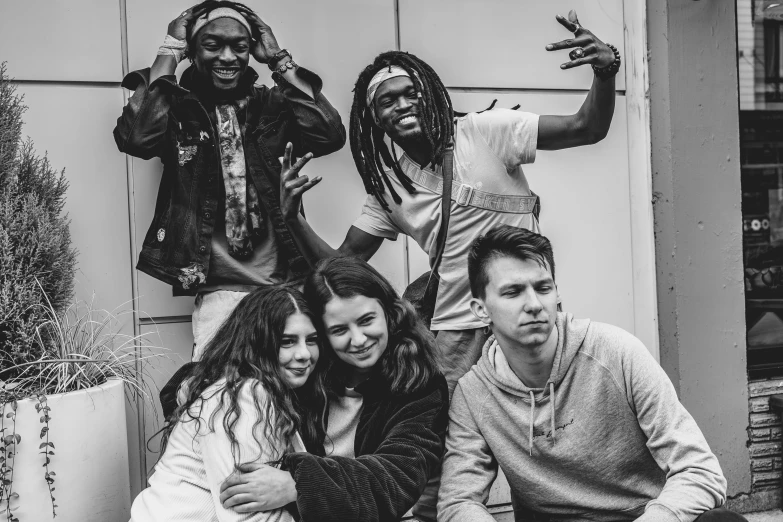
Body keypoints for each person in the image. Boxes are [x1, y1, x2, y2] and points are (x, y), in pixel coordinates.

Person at [280, 9, 618, 398]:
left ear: (433, 94)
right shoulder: (389, 187)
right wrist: (293, 218)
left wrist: (605, 71)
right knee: (454, 435)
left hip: (524, 312)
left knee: (544, 417)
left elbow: (586, 128)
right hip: (455, 332)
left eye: (412, 93)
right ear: (374, 118)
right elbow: (339, 266)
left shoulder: (486, 132)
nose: (403, 104)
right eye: (388, 101)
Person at [437, 225, 747, 522]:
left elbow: (701, 471)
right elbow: (458, 501)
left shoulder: (617, 353)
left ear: (556, 293)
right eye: (513, 292)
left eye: (543, 288)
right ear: (480, 309)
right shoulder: (473, 395)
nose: (533, 304)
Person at [113, 1, 345, 360]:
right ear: (192, 50)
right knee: (218, 403)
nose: (228, 56)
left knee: (294, 403)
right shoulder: (177, 111)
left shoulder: (273, 104)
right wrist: (168, 52)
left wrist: (278, 60)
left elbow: (328, 135)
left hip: (286, 286)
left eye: (239, 47)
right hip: (218, 293)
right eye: (212, 45)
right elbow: (136, 139)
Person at [217, 256, 449, 522]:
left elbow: (398, 477)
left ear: (389, 312)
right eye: (339, 329)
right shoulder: (303, 370)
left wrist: (300, 485)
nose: (359, 340)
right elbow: (233, 367)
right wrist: (190, 386)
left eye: (366, 320)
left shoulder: (420, 381)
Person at [130, 285, 328, 522]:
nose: (304, 353)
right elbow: (250, 516)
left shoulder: (263, 391)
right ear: (258, 343)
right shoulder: (245, 394)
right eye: (287, 341)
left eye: (312, 340)